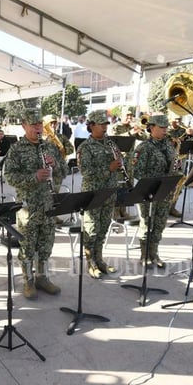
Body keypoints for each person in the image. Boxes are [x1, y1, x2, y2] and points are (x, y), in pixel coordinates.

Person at [4, 107, 68, 298]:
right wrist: (34, 177)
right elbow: (9, 176)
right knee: (28, 247)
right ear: (24, 125)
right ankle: (28, 281)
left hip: (49, 204)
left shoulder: (50, 146)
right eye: (33, 124)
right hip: (28, 206)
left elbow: (64, 171)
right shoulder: (16, 149)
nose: (37, 128)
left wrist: (55, 165)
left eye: (39, 124)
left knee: (46, 244)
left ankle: (42, 277)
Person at [77, 109, 121, 278]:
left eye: (106, 124)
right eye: (101, 124)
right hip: (93, 193)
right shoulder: (85, 147)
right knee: (92, 229)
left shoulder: (110, 144)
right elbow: (86, 172)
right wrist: (108, 168)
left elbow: (117, 163)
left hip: (109, 191)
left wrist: (120, 162)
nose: (104, 127)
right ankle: (91, 263)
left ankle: (100, 259)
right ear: (91, 126)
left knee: (103, 227)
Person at [128, 114, 177, 268]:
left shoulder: (169, 145)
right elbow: (136, 171)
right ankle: (144, 254)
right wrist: (154, 180)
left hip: (165, 190)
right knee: (147, 223)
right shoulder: (143, 147)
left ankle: (154, 253)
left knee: (160, 222)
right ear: (151, 128)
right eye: (161, 127)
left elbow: (174, 164)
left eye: (166, 127)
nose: (165, 130)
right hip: (148, 192)